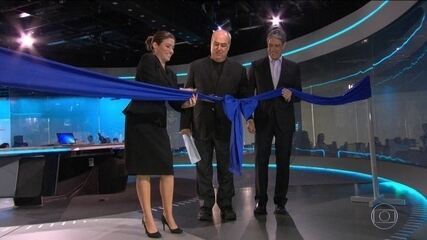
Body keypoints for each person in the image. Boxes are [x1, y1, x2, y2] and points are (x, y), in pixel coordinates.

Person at [123, 30, 197, 238]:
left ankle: (168, 215)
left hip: (157, 123)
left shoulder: (172, 74)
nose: (172, 51)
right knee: (144, 170)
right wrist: (179, 92)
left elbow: (174, 102)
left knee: (167, 169)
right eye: (167, 46)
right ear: (155, 45)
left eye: (173, 47)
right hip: (139, 122)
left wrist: (187, 102)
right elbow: (157, 85)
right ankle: (148, 218)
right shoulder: (147, 60)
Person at [180, 30, 250, 221]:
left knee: (226, 169)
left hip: (226, 127)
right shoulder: (195, 66)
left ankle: (226, 205)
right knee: (203, 168)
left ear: (229, 47)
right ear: (210, 43)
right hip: (200, 125)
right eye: (216, 44)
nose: (219, 48)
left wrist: (250, 118)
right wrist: (184, 125)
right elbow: (187, 97)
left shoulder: (238, 70)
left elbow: (245, 98)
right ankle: (205, 205)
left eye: (223, 45)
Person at [247, 27, 301, 216]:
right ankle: (260, 202)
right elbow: (248, 96)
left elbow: (298, 95)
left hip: (285, 122)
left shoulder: (294, 67)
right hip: (262, 120)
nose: (273, 49)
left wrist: (290, 96)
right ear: (267, 45)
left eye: (277, 46)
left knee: (283, 162)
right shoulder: (256, 66)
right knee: (260, 162)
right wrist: (249, 118)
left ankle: (280, 202)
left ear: (284, 46)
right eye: (270, 46)